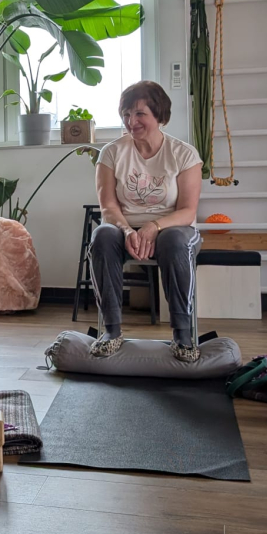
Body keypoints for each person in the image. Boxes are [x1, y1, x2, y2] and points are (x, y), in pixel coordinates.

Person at [89, 80, 203, 362]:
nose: (131, 121)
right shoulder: (111, 153)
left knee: (174, 241)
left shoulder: (184, 154)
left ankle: (183, 335)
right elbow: (108, 207)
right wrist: (128, 230)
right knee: (103, 235)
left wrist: (154, 227)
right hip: (125, 227)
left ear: (159, 115)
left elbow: (188, 211)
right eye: (126, 114)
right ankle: (111, 331)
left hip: (172, 228)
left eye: (140, 113)